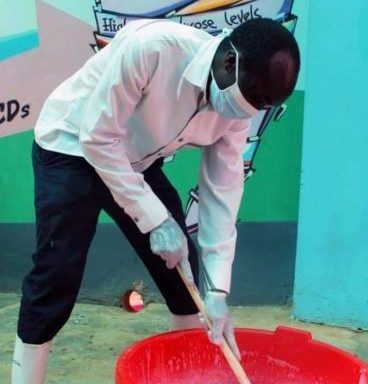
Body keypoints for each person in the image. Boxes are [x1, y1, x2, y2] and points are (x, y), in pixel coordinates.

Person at [11, 17, 300, 384]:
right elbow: (97, 139)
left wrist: (217, 292)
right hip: (71, 147)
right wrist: (156, 220)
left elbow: (222, 193)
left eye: (259, 108)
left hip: (136, 160)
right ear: (229, 63)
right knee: (58, 272)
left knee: (183, 275)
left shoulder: (240, 109)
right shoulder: (153, 49)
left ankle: (185, 374)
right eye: (247, 100)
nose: (240, 117)